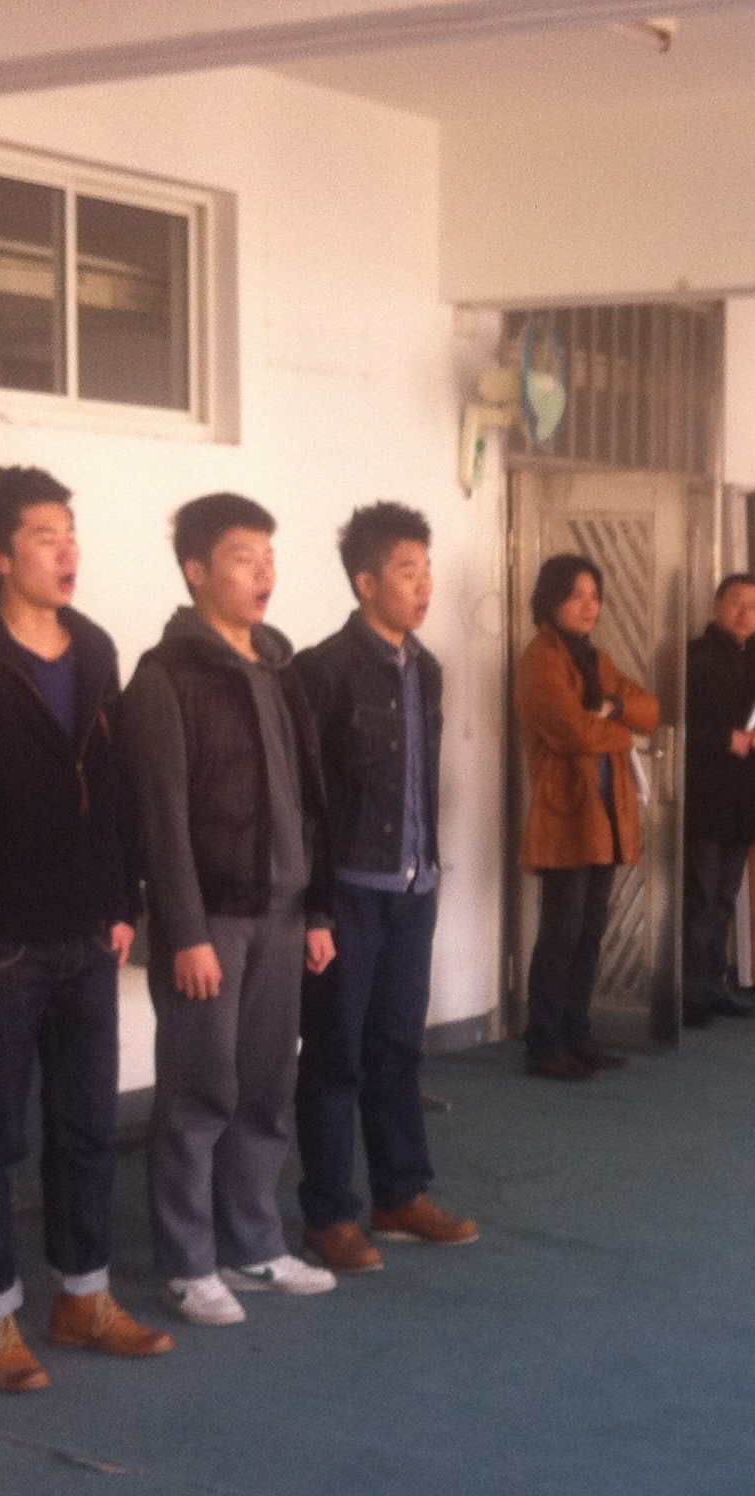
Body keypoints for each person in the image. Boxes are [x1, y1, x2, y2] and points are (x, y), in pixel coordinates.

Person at [0, 466, 171, 1394]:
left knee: (87, 1126)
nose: (67, 550)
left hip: (89, 935)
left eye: (70, 532)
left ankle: (83, 1297)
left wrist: (124, 903)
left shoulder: (94, 647)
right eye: (45, 535)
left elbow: (117, 784)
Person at [123, 493, 338, 1324]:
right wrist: (183, 932)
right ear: (197, 570)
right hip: (210, 921)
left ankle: (253, 1246)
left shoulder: (279, 669)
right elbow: (161, 817)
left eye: (269, 557)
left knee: (265, 1085)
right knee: (198, 1091)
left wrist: (317, 912)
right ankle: (187, 1263)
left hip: (283, 913)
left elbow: (309, 800)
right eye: (244, 558)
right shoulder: (164, 677)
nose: (263, 573)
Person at [288, 502, 479, 1274]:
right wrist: (315, 906)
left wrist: (425, 870)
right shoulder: (322, 669)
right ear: (367, 583)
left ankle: (401, 1194)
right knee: (335, 1053)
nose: (424, 585)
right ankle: (329, 1212)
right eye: (408, 572)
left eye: (427, 570)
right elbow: (307, 800)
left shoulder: (426, 668)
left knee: (398, 1047)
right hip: (348, 892)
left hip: (412, 886)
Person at [516, 553, 662, 1080]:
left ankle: (577, 1034)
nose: (589, 605)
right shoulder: (540, 658)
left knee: (591, 929)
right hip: (566, 814)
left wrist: (616, 709)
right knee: (562, 930)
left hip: (606, 813)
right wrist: (622, 731)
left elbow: (651, 710)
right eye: (577, 594)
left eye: (595, 595)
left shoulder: (597, 660)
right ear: (551, 599)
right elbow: (573, 732)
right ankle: (544, 1043)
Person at [681, 573, 755, 1028]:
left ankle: (714, 987)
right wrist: (727, 738)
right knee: (700, 900)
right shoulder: (694, 658)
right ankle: (689, 994)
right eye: (737, 602)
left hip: (747, 800)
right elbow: (677, 723)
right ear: (717, 605)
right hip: (706, 798)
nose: (745, 613)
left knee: (724, 900)